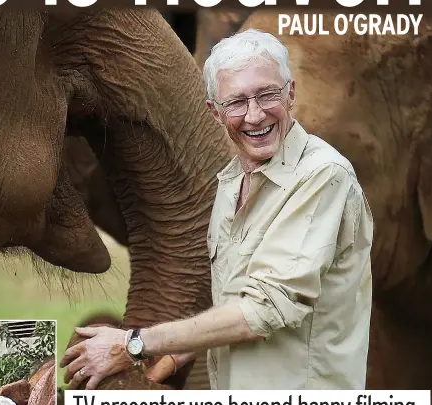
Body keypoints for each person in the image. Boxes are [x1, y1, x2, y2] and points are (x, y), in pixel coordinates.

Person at [60, 28, 374, 390]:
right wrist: (177, 353)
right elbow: (240, 299)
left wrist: (133, 343)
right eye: (237, 103)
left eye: (267, 95)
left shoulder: (322, 178)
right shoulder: (231, 183)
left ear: (290, 94)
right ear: (214, 111)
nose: (255, 116)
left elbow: (266, 310)